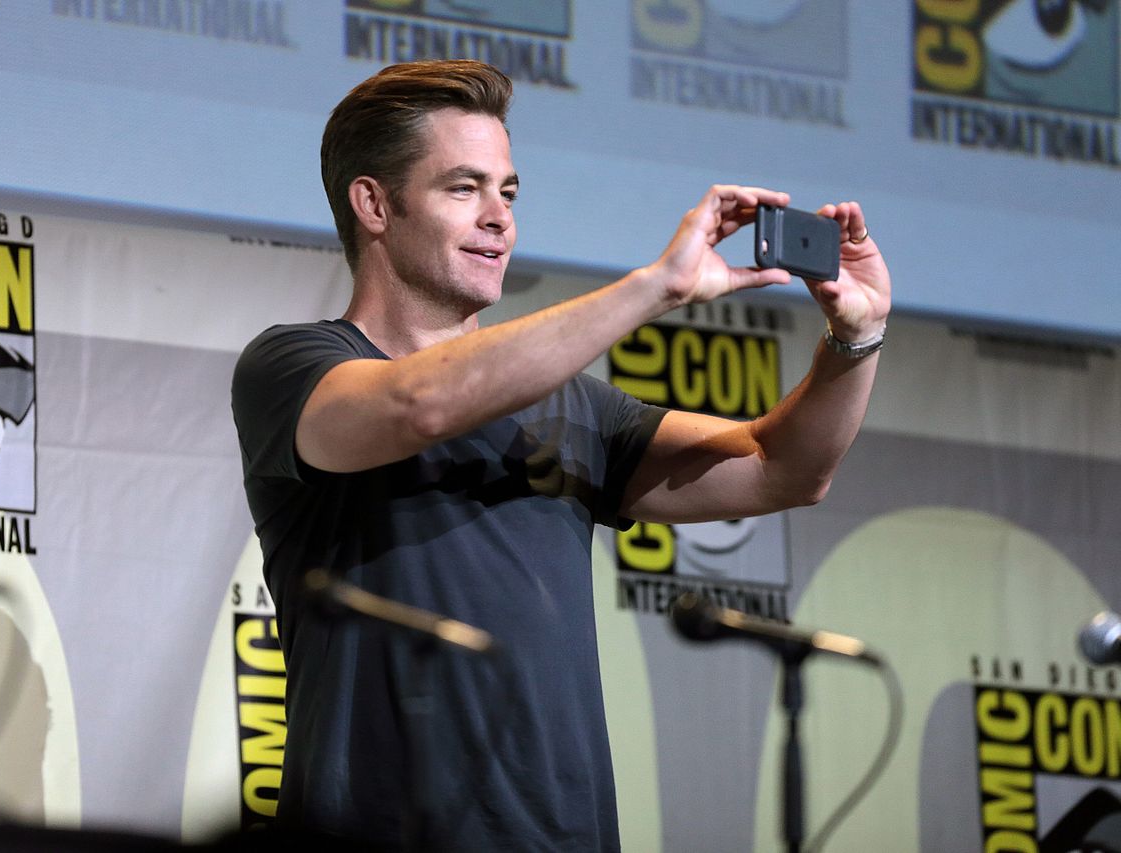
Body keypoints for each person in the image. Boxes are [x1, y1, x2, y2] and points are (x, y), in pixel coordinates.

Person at [231, 60, 890, 851]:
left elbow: (784, 467)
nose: (499, 219)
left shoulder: (576, 404)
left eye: (508, 192)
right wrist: (656, 287)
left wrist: (856, 337)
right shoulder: (294, 367)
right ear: (374, 203)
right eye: (463, 188)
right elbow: (419, 404)